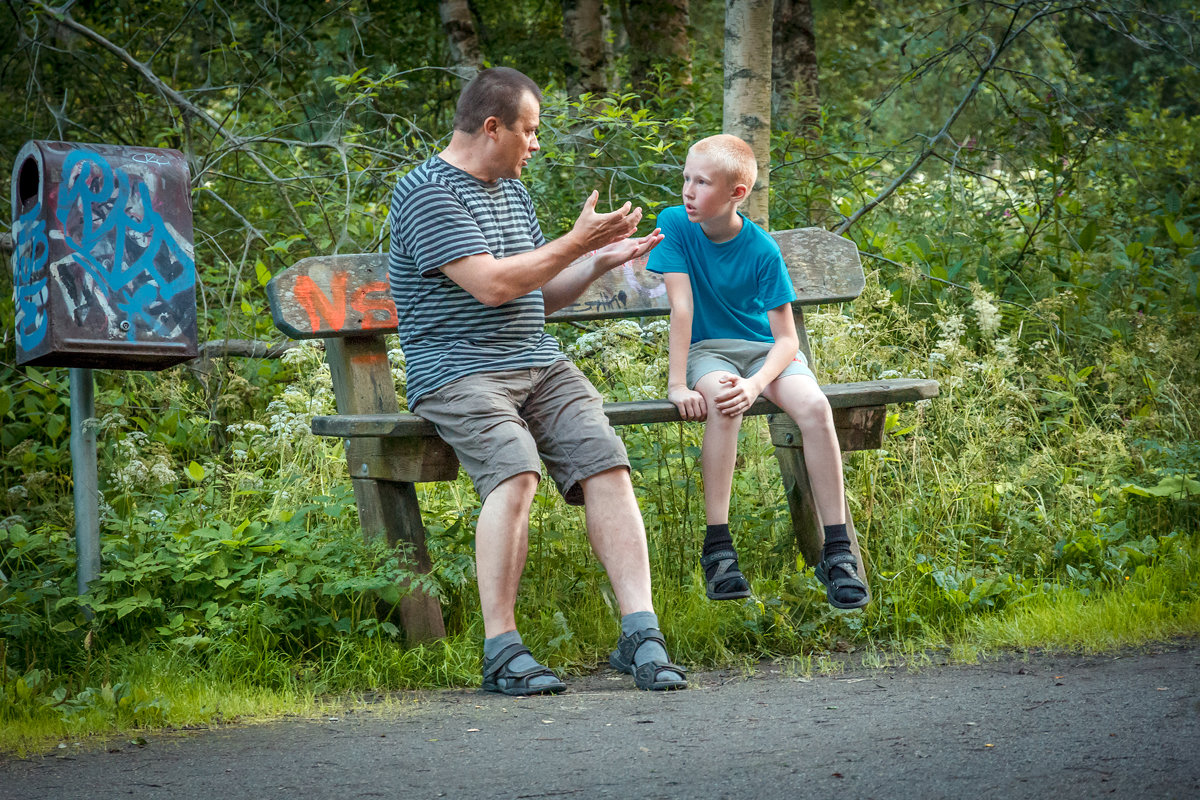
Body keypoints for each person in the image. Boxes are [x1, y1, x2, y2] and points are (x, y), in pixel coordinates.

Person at [387, 67, 687, 695]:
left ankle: (641, 633)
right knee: (517, 471)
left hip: (538, 362)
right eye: (529, 130)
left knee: (605, 463)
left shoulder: (511, 191)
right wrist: (574, 241)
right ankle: (502, 648)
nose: (536, 143)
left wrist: (597, 260)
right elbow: (492, 285)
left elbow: (536, 297)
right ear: (492, 127)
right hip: (457, 370)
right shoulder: (427, 193)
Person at [646, 134, 870, 610]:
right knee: (725, 402)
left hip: (765, 354)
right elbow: (681, 308)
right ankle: (719, 549)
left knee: (814, 406)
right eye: (685, 177)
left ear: (736, 193)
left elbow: (786, 340)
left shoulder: (762, 250)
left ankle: (838, 551)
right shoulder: (675, 225)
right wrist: (678, 383)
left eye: (701, 182)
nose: (687, 190)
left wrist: (757, 383)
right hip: (709, 351)